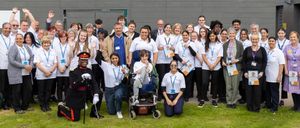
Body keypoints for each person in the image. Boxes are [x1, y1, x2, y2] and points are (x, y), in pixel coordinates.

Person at [57, 52, 103, 121]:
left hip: (86, 93)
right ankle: (61, 108)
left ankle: (94, 112)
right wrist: (82, 78)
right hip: (75, 95)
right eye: (82, 60)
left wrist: (96, 94)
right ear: (79, 61)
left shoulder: (89, 71)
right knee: (75, 118)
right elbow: (74, 85)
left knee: (99, 93)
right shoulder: (73, 72)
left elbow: (94, 83)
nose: (84, 62)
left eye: (86, 60)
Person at [96, 51, 128, 118]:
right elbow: (97, 59)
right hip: (109, 89)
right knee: (111, 112)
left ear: (118, 59)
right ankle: (114, 106)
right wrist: (99, 50)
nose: (114, 60)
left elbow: (126, 78)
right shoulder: (106, 66)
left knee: (118, 96)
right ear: (110, 59)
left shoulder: (123, 66)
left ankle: (119, 111)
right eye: (113, 58)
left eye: (116, 58)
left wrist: (125, 74)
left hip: (118, 87)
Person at [8, 34, 34, 114]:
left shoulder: (26, 47)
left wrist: (31, 65)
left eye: (21, 38)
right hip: (16, 73)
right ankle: (17, 108)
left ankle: (25, 106)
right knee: (17, 91)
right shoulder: (13, 48)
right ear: (15, 39)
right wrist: (24, 66)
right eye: (17, 38)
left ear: (23, 39)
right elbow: (11, 61)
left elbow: (32, 57)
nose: (19, 40)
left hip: (26, 73)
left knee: (28, 90)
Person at [242, 34, 267, 112]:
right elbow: (244, 61)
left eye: (256, 39)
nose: (254, 41)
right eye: (253, 39)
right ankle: (249, 106)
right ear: (250, 40)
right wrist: (245, 72)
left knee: (257, 91)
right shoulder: (247, 49)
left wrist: (262, 72)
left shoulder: (262, 49)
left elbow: (265, 61)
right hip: (249, 73)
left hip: (258, 74)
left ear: (258, 40)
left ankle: (256, 107)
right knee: (249, 91)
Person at [34, 36, 58, 112]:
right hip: (41, 74)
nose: (46, 44)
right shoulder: (38, 51)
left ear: (50, 43)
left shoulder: (53, 51)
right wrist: (45, 71)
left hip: (51, 74)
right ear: (42, 43)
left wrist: (50, 72)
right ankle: (42, 105)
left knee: (48, 90)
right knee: (41, 90)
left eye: (48, 43)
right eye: (44, 43)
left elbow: (56, 63)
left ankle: (47, 104)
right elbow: (37, 63)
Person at [199, 31, 223, 107]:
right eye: (210, 36)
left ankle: (214, 99)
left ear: (216, 36)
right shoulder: (205, 44)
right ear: (208, 37)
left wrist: (213, 65)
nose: (212, 37)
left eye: (213, 36)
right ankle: (202, 99)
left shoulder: (219, 45)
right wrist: (209, 64)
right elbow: (203, 56)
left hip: (216, 66)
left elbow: (219, 57)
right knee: (204, 82)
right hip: (206, 66)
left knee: (215, 83)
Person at [222, 28, 244, 108]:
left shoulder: (239, 44)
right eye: (230, 34)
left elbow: (242, 56)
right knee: (228, 85)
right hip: (227, 67)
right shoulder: (225, 45)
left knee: (235, 85)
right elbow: (222, 56)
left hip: (236, 67)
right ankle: (229, 101)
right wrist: (222, 61)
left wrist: (237, 60)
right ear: (228, 34)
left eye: (233, 34)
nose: (231, 35)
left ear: (235, 34)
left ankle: (234, 101)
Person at [174, 31, 196, 102]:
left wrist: (189, 47)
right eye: (183, 35)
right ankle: (181, 95)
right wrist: (181, 60)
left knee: (188, 81)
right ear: (182, 36)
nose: (185, 36)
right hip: (181, 66)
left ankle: (187, 96)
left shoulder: (192, 43)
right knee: (181, 81)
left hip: (189, 66)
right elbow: (176, 54)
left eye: (186, 35)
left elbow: (194, 54)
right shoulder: (179, 44)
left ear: (188, 36)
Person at [155, 23, 176, 100]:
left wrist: (172, 48)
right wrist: (161, 48)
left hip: (169, 60)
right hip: (161, 60)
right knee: (161, 77)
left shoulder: (173, 37)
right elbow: (156, 47)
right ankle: (160, 94)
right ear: (164, 29)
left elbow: (175, 48)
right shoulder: (160, 37)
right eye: (167, 28)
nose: (168, 29)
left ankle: (167, 93)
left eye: (169, 28)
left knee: (168, 77)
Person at [265, 36, 285, 113]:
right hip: (267, 76)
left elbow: (281, 65)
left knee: (274, 93)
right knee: (268, 92)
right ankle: (269, 105)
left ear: (275, 42)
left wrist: (279, 75)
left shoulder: (279, 52)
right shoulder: (267, 51)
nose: (271, 42)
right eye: (270, 41)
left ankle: (275, 107)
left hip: (275, 76)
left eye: (272, 41)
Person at [283, 31, 300, 112]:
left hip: (298, 71)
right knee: (293, 88)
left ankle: (299, 106)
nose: (293, 38)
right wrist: (285, 69)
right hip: (291, 71)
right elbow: (285, 59)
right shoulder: (287, 47)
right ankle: (295, 106)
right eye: (291, 37)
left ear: (297, 38)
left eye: (294, 37)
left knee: (299, 88)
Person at [53, 31, 71, 102]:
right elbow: (55, 57)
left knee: (67, 85)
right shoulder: (56, 46)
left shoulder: (69, 45)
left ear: (67, 37)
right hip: (58, 68)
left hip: (67, 68)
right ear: (59, 38)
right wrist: (59, 67)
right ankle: (59, 100)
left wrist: (65, 66)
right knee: (59, 86)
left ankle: (66, 100)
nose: (63, 38)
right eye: (61, 36)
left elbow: (70, 57)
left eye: (64, 36)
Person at [0, 23, 13, 110]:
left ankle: (9, 102)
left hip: (11, 67)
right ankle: (3, 103)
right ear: (2, 28)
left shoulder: (12, 39)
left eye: (9, 28)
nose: (7, 30)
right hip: (1, 66)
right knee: (2, 86)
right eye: (6, 28)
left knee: (9, 86)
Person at [276, 28, 290, 106]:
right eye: (279, 33)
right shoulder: (275, 42)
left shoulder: (288, 42)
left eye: (282, 33)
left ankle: (282, 99)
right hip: (277, 64)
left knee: (284, 81)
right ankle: (277, 97)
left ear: (284, 34)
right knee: (277, 80)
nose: (281, 34)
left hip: (285, 63)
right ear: (277, 34)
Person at [191, 31, 204, 102]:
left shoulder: (198, 44)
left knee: (199, 81)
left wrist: (201, 61)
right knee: (193, 81)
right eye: (192, 36)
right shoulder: (190, 43)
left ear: (197, 36)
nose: (193, 37)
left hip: (198, 65)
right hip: (192, 66)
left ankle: (200, 95)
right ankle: (192, 94)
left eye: (194, 36)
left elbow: (196, 53)